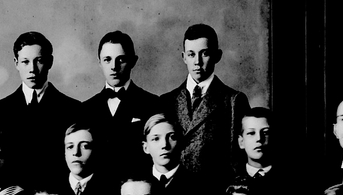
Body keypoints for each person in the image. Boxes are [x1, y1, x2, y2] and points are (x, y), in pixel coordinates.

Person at [160, 23, 248, 181]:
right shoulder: (167, 101)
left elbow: (240, 158)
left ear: (217, 56)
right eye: (191, 54)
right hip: (173, 191)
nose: (197, 62)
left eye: (205, 54)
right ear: (184, 57)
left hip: (215, 191)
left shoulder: (233, 100)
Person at [0, 31, 81, 186]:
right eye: (25, 62)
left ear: (50, 62)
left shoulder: (71, 108)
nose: (32, 69)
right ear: (16, 63)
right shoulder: (0, 110)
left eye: (39, 61)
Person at [79, 30, 161, 184]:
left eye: (121, 59)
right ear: (99, 62)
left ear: (133, 61)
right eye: (107, 60)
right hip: (97, 192)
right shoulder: (86, 109)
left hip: (137, 190)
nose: (114, 67)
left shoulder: (152, 103)